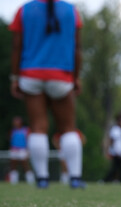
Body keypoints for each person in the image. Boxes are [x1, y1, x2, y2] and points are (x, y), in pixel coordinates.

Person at [9, 0, 84, 188]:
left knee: (38, 127)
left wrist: (15, 77)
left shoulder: (23, 11)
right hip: (61, 74)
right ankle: (75, 178)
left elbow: (16, 47)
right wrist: (76, 77)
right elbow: (78, 48)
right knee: (68, 128)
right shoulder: (72, 11)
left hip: (30, 74)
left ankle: (42, 179)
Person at [103, 112, 121, 183]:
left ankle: (108, 180)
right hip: (116, 153)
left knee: (118, 168)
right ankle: (107, 180)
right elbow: (111, 141)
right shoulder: (115, 129)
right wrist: (111, 151)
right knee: (120, 168)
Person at [8, 116, 35, 184]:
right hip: (14, 150)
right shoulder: (12, 131)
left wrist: (28, 150)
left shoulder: (26, 130)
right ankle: (13, 180)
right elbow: (11, 141)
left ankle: (30, 180)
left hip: (23, 150)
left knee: (25, 165)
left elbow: (29, 140)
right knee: (13, 165)